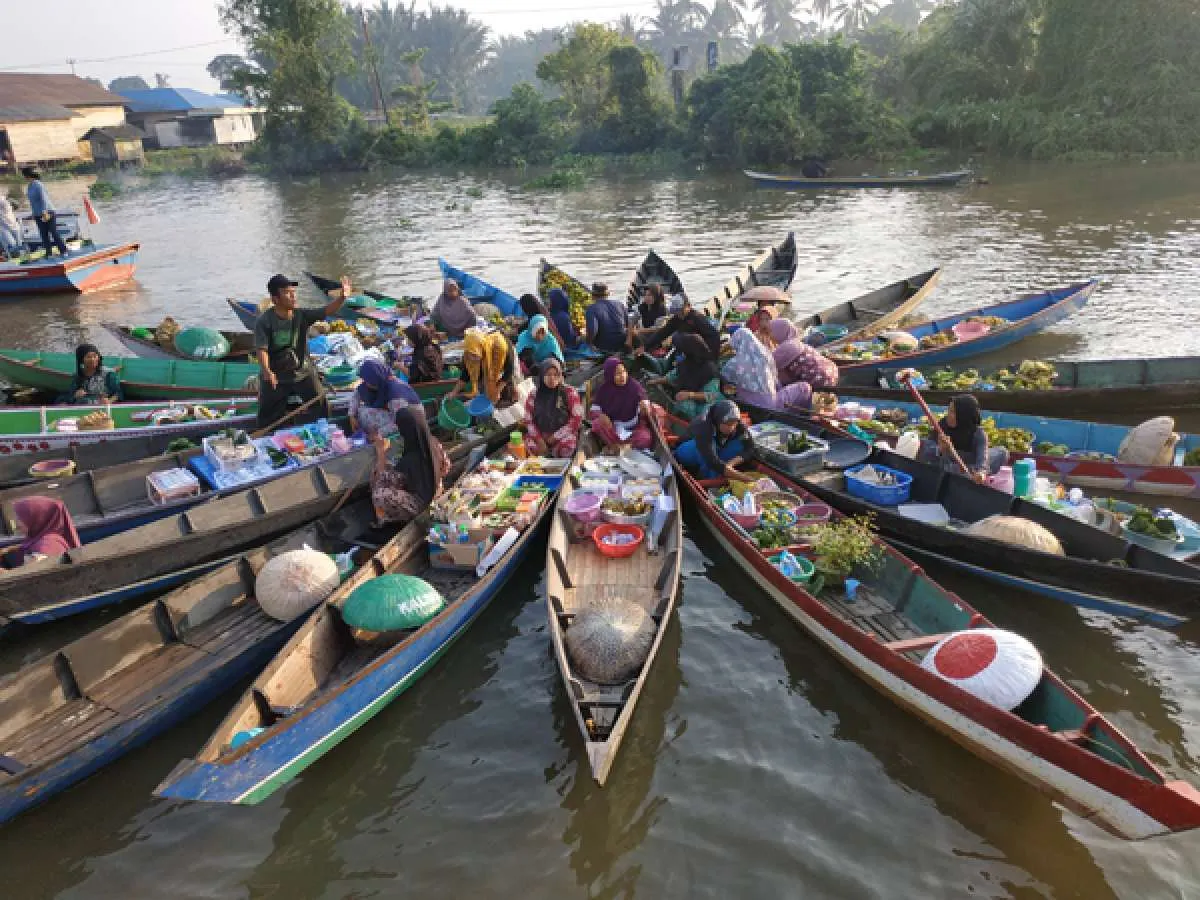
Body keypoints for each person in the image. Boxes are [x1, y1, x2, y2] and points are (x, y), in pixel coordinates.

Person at [254, 273, 349, 430]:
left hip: (302, 370)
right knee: (267, 419)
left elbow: (326, 310)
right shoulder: (264, 322)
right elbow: (261, 349)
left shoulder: (301, 315)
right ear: (275, 299)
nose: (293, 296)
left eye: (293, 291)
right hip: (276, 375)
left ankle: (322, 430)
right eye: (287, 292)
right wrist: (267, 371)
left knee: (320, 406)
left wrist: (342, 298)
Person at [370, 406, 451, 526]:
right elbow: (446, 467)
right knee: (392, 469)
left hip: (421, 504)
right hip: (436, 490)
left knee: (379, 494)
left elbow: (382, 481)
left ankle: (385, 517)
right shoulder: (434, 443)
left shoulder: (409, 459)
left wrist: (381, 453)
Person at [723, 326, 815, 411]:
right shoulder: (766, 356)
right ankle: (805, 414)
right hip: (771, 404)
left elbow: (724, 379)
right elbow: (776, 381)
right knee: (805, 387)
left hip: (749, 406)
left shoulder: (733, 363)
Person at [920, 394, 1008, 482]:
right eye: (949, 410)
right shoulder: (942, 425)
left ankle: (966, 474)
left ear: (963, 415)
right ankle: (962, 474)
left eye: (952, 412)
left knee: (1002, 452)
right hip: (946, 462)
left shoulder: (978, 433)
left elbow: (982, 460)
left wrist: (981, 473)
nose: (948, 414)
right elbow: (927, 449)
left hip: (969, 464)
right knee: (930, 452)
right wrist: (940, 450)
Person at [674, 400, 757, 481]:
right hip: (688, 453)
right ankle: (707, 479)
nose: (731, 428)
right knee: (705, 451)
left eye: (734, 423)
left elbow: (750, 447)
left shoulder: (738, 425)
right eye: (727, 424)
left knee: (739, 444)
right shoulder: (703, 426)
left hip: (716, 451)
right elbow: (713, 462)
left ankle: (722, 471)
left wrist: (730, 464)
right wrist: (747, 479)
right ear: (718, 420)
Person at [589, 357, 653, 451]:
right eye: (617, 374)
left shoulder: (633, 385)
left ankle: (625, 446)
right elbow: (594, 410)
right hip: (613, 427)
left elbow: (643, 398)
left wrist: (644, 405)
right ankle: (615, 445)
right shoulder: (603, 390)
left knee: (645, 437)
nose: (622, 376)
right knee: (597, 424)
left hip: (633, 428)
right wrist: (601, 415)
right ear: (610, 375)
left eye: (623, 371)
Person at [524, 357, 583, 458]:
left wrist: (554, 437)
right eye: (548, 375)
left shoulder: (569, 392)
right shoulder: (534, 394)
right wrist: (540, 440)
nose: (552, 378)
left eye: (556, 375)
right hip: (541, 437)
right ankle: (543, 455)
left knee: (569, 444)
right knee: (525, 445)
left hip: (562, 436)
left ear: (560, 375)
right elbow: (528, 420)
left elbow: (576, 419)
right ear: (542, 375)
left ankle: (553, 455)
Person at [656, 332, 721, 420]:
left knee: (686, 406)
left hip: (702, 406)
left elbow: (711, 395)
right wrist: (654, 381)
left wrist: (690, 395)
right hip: (684, 398)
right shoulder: (686, 363)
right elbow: (672, 376)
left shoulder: (710, 370)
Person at [351, 358, 422, 437]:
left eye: (369, 382)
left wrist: (378, 434)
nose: (367, 384)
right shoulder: (369, 385)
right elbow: (356, 395)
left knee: (367, 413)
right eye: (365, 380)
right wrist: (352, 416)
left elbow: (400, 422)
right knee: (362, 411)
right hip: (380, 421)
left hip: (401, 423)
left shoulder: (394, 392)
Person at [2, 497, 80, 568]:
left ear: (36, 520)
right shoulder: (45, 537)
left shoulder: (47, 545)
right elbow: (29, 545)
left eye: (20, 519)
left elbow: (29, 573)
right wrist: (9, 549)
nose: (16, 524)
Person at [639, 294, 722, 360]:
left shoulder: (697, 318)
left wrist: (711, 357)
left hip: (705, 350)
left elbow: (714, 335)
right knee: (675, 338)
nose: (679, 314)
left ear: (688, 306)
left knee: (677, 337)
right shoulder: (677, 319)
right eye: (677, 312)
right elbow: (662, 333)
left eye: (681, 311)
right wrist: (646, 346)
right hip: (692, 350)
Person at [447, 328, 516, 406]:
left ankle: (507, 398)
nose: (471, 358)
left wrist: (497, 391)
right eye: (469, 354)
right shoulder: (470, 353)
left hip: (504, 357)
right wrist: (454, 392)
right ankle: (486, 397)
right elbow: (466, 374)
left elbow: (509, 372)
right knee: (486, 387)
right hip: (487, 362)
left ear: (482, 349)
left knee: (506, 390)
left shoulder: (501, 349)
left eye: (474, 355)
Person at [769, 318, 839, 389]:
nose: (769, 336)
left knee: (777, 376)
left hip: (821, 381)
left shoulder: (785, 348)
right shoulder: (796, 342)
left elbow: (769, 364)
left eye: (770, 332)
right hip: (832, 372)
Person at [22, 167, 68, 258]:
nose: (24, 177)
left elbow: (44, 199)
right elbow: (32, 202)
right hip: (38, 214)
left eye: (24, 175)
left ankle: (63, 250)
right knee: (43, 234)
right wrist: (34, 213)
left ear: (28, 175)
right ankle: (49, 253)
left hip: (47, 212)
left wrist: (44, 211)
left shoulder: (38, 184)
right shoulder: (29, 186)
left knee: (53, 232)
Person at [583, 282, 627, 354]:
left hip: (604, 347)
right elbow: (628, 325)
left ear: (593, 296)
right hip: (622, 344)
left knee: (581, 341)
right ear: (607, 294)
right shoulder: (620, 304)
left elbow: (593, 330)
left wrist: (589, 343)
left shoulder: (592, 309)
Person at [0, 194, 21, 259]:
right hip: (4, 228)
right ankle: (12, 257)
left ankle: (19, 258)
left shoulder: (5, 200)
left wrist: (11, 201)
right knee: (12, 244)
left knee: (19, 245)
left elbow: (17, 205)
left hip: (14, 226)